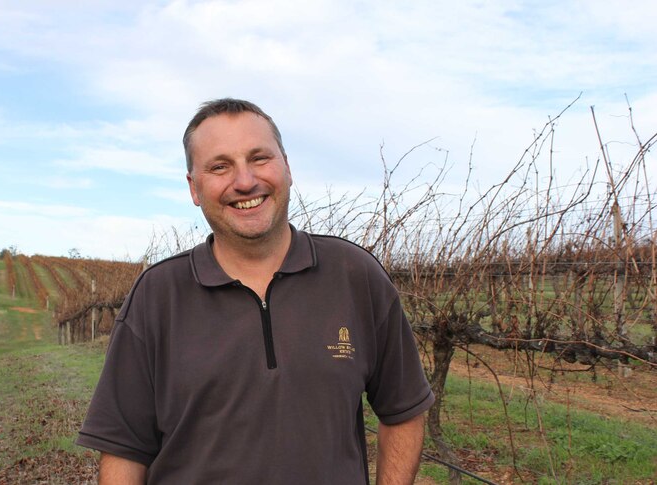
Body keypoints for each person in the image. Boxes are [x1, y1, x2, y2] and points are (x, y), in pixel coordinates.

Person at [76, 98, 434, 484]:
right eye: (219, 166)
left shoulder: (355, 275)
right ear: (194, 187)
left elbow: (404, 410)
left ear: (287, 167)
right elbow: (123, 451)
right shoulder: (157, 296)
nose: (245, 181)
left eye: (259, 158)